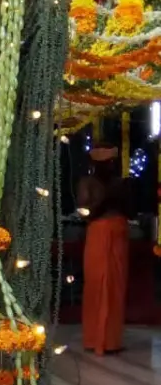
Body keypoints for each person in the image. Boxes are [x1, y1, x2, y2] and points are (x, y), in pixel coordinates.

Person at [76, 143, 130, 355]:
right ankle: (94, 339)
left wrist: (118, 194)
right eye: (105, 163)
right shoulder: (87, 183)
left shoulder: (121, 184)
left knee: (116, 287)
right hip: (98, 234)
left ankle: (111, 341)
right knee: (97, 285)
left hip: (118, 234)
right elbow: (84, 211)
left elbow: (131, 210)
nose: (109, 166)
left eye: (111, 162)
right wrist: (105, 198)